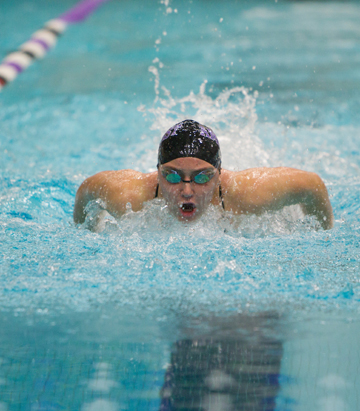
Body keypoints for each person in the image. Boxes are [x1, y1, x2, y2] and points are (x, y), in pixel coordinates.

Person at [73, 119, 334, 230]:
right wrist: (88, 236)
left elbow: (312, 185)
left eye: (201, 177)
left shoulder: (248, 195)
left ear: (219, 175)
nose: (187, 191)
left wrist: (321, 237)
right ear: (158, 173)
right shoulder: (129, 197)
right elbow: (87, 190)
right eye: (173, 177)